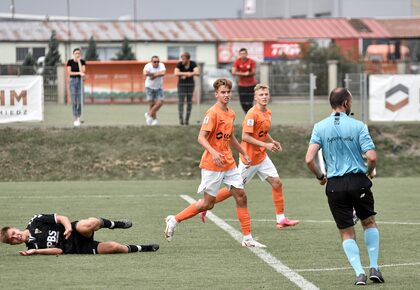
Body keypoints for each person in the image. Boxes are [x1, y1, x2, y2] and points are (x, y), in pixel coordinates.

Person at [164, 78, 266, 248]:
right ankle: (175, 219)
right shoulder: (212, 113)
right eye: (223, 92)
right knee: (207, 204)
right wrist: (213, 151)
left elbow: (231, 136)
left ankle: (247, 238)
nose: (226, 95)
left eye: (228, 92)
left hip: (228, 162)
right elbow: (201, 137)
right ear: (216, 94)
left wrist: (243, 152)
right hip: (212, 163)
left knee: (241, 195)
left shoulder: (231, 113)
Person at [305, 87, 384, 285]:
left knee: (347, 231)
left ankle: (359, 274)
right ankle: (374, 267)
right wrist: (369, 170)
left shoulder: (320, 127)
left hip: (335, 186)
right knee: (369, 222)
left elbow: (308, 159)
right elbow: (372, 157)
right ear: (347, 103)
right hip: (358, 182)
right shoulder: (358, 126)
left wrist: (320, 177)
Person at [199, 84, 299, 229]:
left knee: (277, 183)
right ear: (255, 97)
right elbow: (245, 137)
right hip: (249, 160)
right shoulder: (252, 114)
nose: (264, 97)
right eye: (261, 95)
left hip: (262, 157)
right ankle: (206, 206)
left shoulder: (268, 112)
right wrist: (265, 145)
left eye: (266, 94)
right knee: (233, 190)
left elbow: (262, 130)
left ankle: (281, 219)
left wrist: (271, 141)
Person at [1, 213, 159, 255]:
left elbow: (61, 218)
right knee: (114, 247)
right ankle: (143, 248)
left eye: (13, 233)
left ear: (15, 228)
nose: (15, 237)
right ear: (13, 244)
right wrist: (36, 251)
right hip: (78, 247)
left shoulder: (35, 221)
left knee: (88, 224)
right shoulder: (31, 247)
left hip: (75, 230)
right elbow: (59, 251)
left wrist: (68, 227)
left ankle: (114, 224)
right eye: (12, 240)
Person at [174, 52, 200, 126]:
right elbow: (176, 73)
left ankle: (187, 120)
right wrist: (186, 74)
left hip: (190, 86)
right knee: (181, 102)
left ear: (188, 59)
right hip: (181, 86)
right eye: (182, 59)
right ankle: (181, 120)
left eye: (184, 59)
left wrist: (190, 74)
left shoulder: (193, 63)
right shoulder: (179, 64)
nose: (182, 60)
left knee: (189, 102)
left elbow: (197, 72)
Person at [232, 48, 257, 113]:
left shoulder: (251, 61)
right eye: (241, 54)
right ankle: (248, 114)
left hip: (251, 85)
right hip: (242, 85)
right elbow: (233, 72)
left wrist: (248, 74)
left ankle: (251, 116)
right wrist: (243, 74)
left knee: (249, 102)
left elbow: (253, 72)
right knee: (243, 102)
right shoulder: (237, 61)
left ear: (247, 54)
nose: (243, 55)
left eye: (244, 53)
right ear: (239, 54)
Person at [143, 56, 166, 126]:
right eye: (154, 62)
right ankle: (154, 121)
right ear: (151, 62)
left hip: (159, 87)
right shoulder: (148, 66)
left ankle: (148, 114)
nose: (156, 63)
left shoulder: (161, 65)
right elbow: (145, 73)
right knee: (151, 104)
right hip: (149, 87)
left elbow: (163, 73)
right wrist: (157, 74)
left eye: (158, 61)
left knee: (160, 102)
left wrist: (154, 75)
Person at [66, 48, 86, 127]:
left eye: (79, 53)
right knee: (74, 101)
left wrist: (79, 62)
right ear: (73, 54)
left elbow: (83, 71)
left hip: (80, 81)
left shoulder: (82, 62)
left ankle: (79, 115)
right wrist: (78, 73)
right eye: (76, 53)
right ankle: (75, 118)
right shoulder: (70, 62)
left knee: (81, 101)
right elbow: (69, 72)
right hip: (72, 81)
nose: (77, 54)